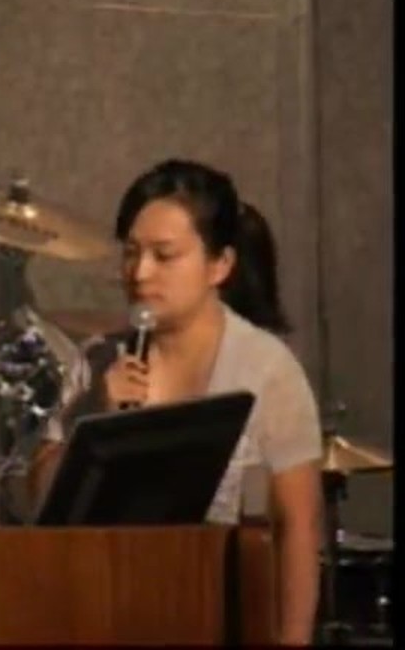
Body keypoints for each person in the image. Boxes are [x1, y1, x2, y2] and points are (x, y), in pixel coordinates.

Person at [28, 159, 323, 645]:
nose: (140, 273)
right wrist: (93, 412)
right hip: (100, 606)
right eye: (131, 253)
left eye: (164, 256)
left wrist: (291, 639)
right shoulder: (99, 359)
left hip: (211, 608)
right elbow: (40, 501)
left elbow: (299, 525)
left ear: (219, 265)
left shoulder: (267, 368)